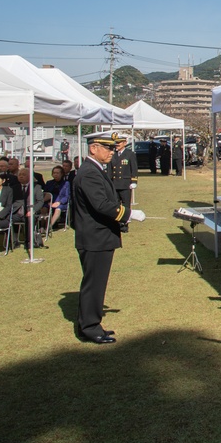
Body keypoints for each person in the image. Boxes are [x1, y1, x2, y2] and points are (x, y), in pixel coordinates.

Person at [70, 131, 131, 344]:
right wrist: (128, 214)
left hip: (98, 235)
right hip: (95, 236)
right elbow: (101, 205)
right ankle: (90, 327)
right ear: (93, 148)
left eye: (114, 149)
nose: (112, 153)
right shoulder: (89, 172)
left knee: (96, 282)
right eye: (108, 149)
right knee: (94, 283)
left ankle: (89, 322)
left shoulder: (95, 169)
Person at [109, 136, 138, 233]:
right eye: (116, 143)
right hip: (114, 184)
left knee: (125, 205)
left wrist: (134, 181)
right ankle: (116, 224)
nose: (117, 145)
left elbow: (133, 168)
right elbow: (110, 170)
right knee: (115, 205)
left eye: (119, 143)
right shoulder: (113, 154)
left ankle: (124, 225)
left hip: (125, 184)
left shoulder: (130, 154)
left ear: (125, 143)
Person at [16, 168, 45, 249]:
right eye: (19, 175)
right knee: (9, 218)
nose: (21, 176)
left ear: (29, 176)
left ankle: (29, 241)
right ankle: (14, 241)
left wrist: (33, 210)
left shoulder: (36, 187)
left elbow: (40, 201)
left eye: (24, 175)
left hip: (31, 211)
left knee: (29, 219)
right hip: (17, 212)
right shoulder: (14, 188)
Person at [43, 165, 71, 231]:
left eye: (57, 173)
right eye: (54, 173)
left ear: (61, 174)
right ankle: (43, 225)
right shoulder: (49, 183)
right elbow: (45, 193)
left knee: (58, 209)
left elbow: (67, 196)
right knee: (44, 208)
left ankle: (50, 226)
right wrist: (49, 201)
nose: (55, 174)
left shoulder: (66, 183)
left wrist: (59, 202)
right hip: (50, 201)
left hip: (61, 202)